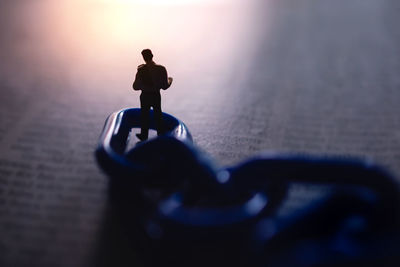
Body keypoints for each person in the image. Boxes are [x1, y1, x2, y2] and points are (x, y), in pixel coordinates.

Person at [132, 49, 173, 141]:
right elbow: (165, 87)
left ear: (143, 58)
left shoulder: (141, 70)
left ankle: (144, 135)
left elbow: (135, 87)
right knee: (158, 115)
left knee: (144, 115)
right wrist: (170, 80)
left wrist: (143, 84)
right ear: (152, 55)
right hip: (155, 95)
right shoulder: (161, 69)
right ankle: (161, 135)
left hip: (144, 95)